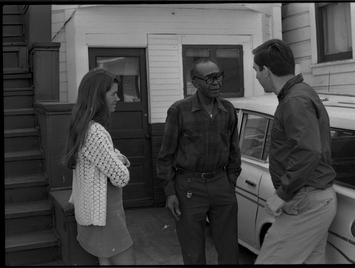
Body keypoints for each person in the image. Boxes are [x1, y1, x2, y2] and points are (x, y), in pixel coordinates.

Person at [252, 39, 337, 264]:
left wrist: (282, 194)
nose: (256, 77)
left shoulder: (295, 100)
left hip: (306, 202)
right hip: (314, 199)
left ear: (266, 71)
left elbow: (308, 151)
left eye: (256, 71)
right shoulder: (299, 93)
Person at [157, 59, 242, 264]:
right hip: (188, 186)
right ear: (195, 83)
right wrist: (170, 193)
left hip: (221, 183)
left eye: (219, 76)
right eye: (210, 78)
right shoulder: (179, 111)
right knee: (193, 252)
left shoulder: (228, 110)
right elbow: (165, 156)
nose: (216, 83)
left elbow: (234, 151)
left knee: (229, 249)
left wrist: (229, 183)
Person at [61, 68, 136, 265]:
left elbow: (109, 158)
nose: (118, 98)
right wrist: (120, 160)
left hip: (95, 212)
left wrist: (116, 157)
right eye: (113, 94)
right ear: (98, 98)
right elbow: (121, 177)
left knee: (105, 263)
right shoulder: (95, 131)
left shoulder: (83, 126)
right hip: (105, 217)